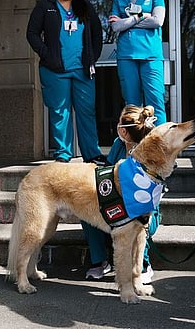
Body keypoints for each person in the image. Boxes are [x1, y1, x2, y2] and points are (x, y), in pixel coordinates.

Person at [26, 0, 106, 165]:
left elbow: (97, 34)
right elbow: (32, 34)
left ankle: (92, 154)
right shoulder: (45, 6)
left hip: (83, 70)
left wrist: (92, 58)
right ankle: (63, 154)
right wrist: (46, 55)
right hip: (55, 70)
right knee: (60, 112)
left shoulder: (85, 7)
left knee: (86, 111)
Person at [81, 105, 159, 284]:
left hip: (143, 208)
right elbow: (107, 172)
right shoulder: (118, 144)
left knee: (140, 221)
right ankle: (99, 260)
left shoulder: (149, 150)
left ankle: (144, 264)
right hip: (115, 203)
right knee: (87, 210)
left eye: (119, 121)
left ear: (124, 131)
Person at [109, 0, 167, 125]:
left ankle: (160, 147)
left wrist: (126, 22)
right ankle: (135, 146)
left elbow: (157, 21)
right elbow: (115, 27)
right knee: (132, 107)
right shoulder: (118, 1)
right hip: (126, 57)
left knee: (156, 103)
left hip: (151, 56)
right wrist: (140, 16)